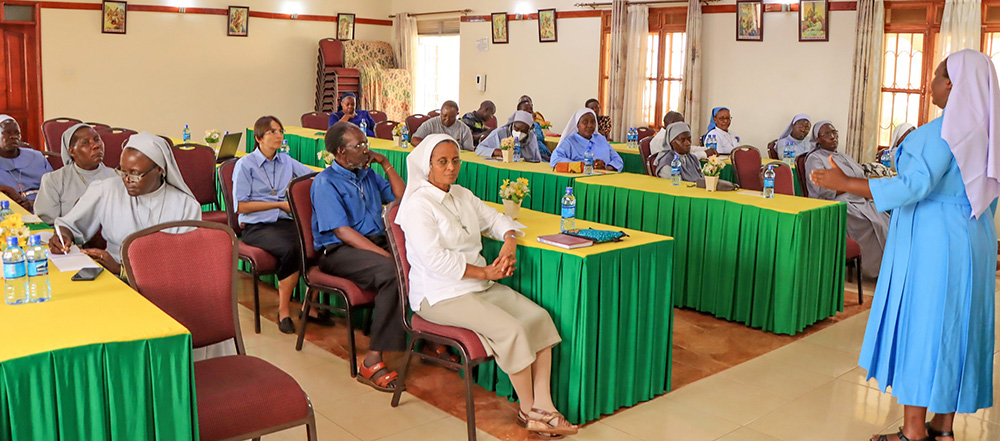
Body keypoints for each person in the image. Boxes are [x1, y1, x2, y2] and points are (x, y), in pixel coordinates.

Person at [810, 49, 998, 441]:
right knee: (957, 326)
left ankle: (913, 431)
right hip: (975, 237)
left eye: (935, 77)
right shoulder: (989, 132)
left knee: (923, 325)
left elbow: (913, 186)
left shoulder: (942, 131)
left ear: (951, 85)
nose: (931, 84)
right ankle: (943, 427)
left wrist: (844, 184)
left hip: (935, 238)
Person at [396, 133, 579, 438]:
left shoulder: (462, 195)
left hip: (478, 285)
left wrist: (509, 240)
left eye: (455, 160)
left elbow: (496, 218)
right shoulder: (419, 206)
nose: (451, 167)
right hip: (440, 294)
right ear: (426, 166)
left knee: (539, 318)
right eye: (442, 162)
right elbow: (436, 261)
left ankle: (543, 404)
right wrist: (486, 274)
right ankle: (530, 410)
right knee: (513, 329)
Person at [310, 121, 408, 392]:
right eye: (360, 145)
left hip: (374, 243)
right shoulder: (325, 183)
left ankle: (428, 339)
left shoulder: (368, 175)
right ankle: (372, 359)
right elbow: (342, 232)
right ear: (341, 152)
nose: (367, 150)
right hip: (340, 251)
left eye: (367, 143)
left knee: (421, 260)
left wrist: (386, 164)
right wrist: (387, 256)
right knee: (391, 271)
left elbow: (403, 198)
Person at [50, 132, 202, 277]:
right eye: (123, 171)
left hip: (163, 283)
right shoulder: (107, 189)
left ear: (159, 170)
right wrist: (62, 236)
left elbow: (184, 266)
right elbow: (69, 225)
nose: (127, 180)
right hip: (111, 277)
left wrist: (121, 269)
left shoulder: (185, 206)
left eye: (135, 174)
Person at [233, 116, 320, 334]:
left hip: (284, 222)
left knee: (318, 241)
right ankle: (283, 310)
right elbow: (241, 206)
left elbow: (312, 177)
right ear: (259, 137)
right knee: (292, 248)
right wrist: (280, 204)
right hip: (257, 227)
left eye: (281, 131)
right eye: (273, 132)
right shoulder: (245, 165)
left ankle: (310, 307)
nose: (279, 136)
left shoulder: (286, 161)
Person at [804, 121, 889, 279]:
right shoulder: (814, 159)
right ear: (818, 140)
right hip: (835, 204)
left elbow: (860, 176)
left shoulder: (843, 156)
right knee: (870, 223)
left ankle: (888, 266)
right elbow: (822, 189)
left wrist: (859, 189)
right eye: (827, 134)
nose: (833, 137)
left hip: (858, 199)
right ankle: (872, 269)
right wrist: (850, 187)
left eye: (834, 132)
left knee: (885, 217)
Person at [34, 123, 118, 225]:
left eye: (97, 139)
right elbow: (47, 222)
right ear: (72, 151)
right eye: (86, 143)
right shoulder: (54, 180)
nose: (95, 145)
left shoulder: (117, 177)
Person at [0, 115, 53, 211]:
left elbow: (53, 187)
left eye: (17, 133)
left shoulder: (37, 158)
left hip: (43, 208)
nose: (14, 136)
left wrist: (35, 204)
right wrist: (8, 189)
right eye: (7, 133)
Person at [549, 108, 624, 171]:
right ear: (578, 124)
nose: (590, 125)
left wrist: (606, 168)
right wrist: (584, 165)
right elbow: (555, 160)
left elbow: (618, 160)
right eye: (585, 122)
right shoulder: (570, 142)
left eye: (593, 122)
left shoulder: (601, 139)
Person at [476, 111, 546, 162]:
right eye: (516, 129)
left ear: (528, 130)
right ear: (512, 124)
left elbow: (537, 160)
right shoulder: (500, 133)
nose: (518, 133)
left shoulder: (531, 137)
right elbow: (479, 149)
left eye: (523, 131)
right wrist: (497, 152)